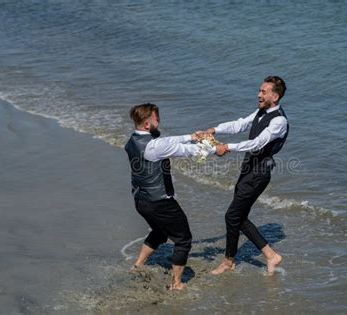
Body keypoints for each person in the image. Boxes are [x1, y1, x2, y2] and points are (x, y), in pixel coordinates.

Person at [124, 103, 226, 290]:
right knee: (184, 239)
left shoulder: (132, 140)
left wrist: (191, 137)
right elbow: (188, 151)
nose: (159, 121)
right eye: (156, 119)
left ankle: (137, 265)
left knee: (160, 232)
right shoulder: (154, 146)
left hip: (140, 200)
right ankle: (176, 283)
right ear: (147, 125)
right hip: (160, 202)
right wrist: (215, 149)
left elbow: (168, 141)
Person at [201, 76, 289, 275]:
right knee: (238, 217)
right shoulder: (261, 111)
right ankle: (270, 256)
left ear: (274, 96)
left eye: (263, 92)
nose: (259, 94)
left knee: (232, 216)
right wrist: (216, 129)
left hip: (259, 173)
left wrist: (227, 147)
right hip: (248, 169)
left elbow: (258, 143)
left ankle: (229, 261)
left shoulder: (279, 121)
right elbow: (240, 124)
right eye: (259, 90)